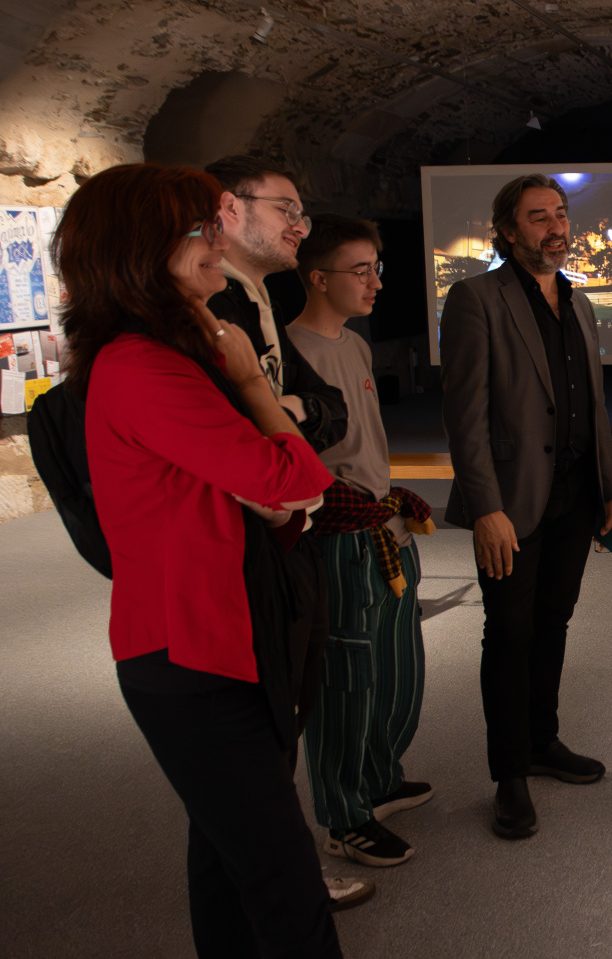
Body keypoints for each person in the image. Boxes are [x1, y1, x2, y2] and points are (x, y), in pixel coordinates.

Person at [60, 163, 347, 955]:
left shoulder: (164, 354)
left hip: (218, 635)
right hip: (191, 653)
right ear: (140, 249)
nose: (217, 240)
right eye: (200, 228)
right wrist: (255, 387)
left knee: (229, 863)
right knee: (283, 882)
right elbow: (295, 479)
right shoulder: (143, 366)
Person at [203, 155, 370, 907]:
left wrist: (282, 411)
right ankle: (278, 879)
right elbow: (240, 444)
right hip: (246, 545)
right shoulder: (209, 310)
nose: (300, 224)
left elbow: (327, 412)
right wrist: (286, 415)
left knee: (288, 711)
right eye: (285, 208)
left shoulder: (257, 302)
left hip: (289, 536)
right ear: (228, 209)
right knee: (258, 728)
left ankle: (272, 873)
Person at [441, 174, 612, 839]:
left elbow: (593, 406)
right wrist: (484, 508)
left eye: (560, 214)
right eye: (539, 217)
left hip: (575, 497)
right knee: (509, 633)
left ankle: (543, 741)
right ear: (508, 230)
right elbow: (465, 417)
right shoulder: (476, 299)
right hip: (510, 503)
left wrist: (610, 486)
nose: (555, 228)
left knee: (553, 623)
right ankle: (509, 773)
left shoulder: (579, 303)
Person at [286, 215, 434, 867]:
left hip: (383, 526)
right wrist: (327, 499)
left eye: (378, 268)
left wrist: (388, 490)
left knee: (396, 671)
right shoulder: (290, 356)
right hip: (337, 537)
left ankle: (378, 778)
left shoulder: (354, 344)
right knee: (346, 679)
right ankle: (343, 817)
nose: (375, 282)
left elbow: (361, 443)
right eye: (361, 270)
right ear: (319, 278)